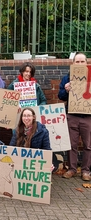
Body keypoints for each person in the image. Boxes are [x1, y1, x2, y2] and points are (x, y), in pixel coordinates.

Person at [58, 52, 91, 181]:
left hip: (88, 116)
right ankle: (72, 169)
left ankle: (86, 171)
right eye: (77, 61)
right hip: (72, 115)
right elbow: (60, 96)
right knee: (72, 144)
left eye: (82, 61)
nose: (80, 64)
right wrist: (65, 90)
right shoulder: (67, 78)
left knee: (88, 145)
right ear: (73, 63)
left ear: (86, 63)